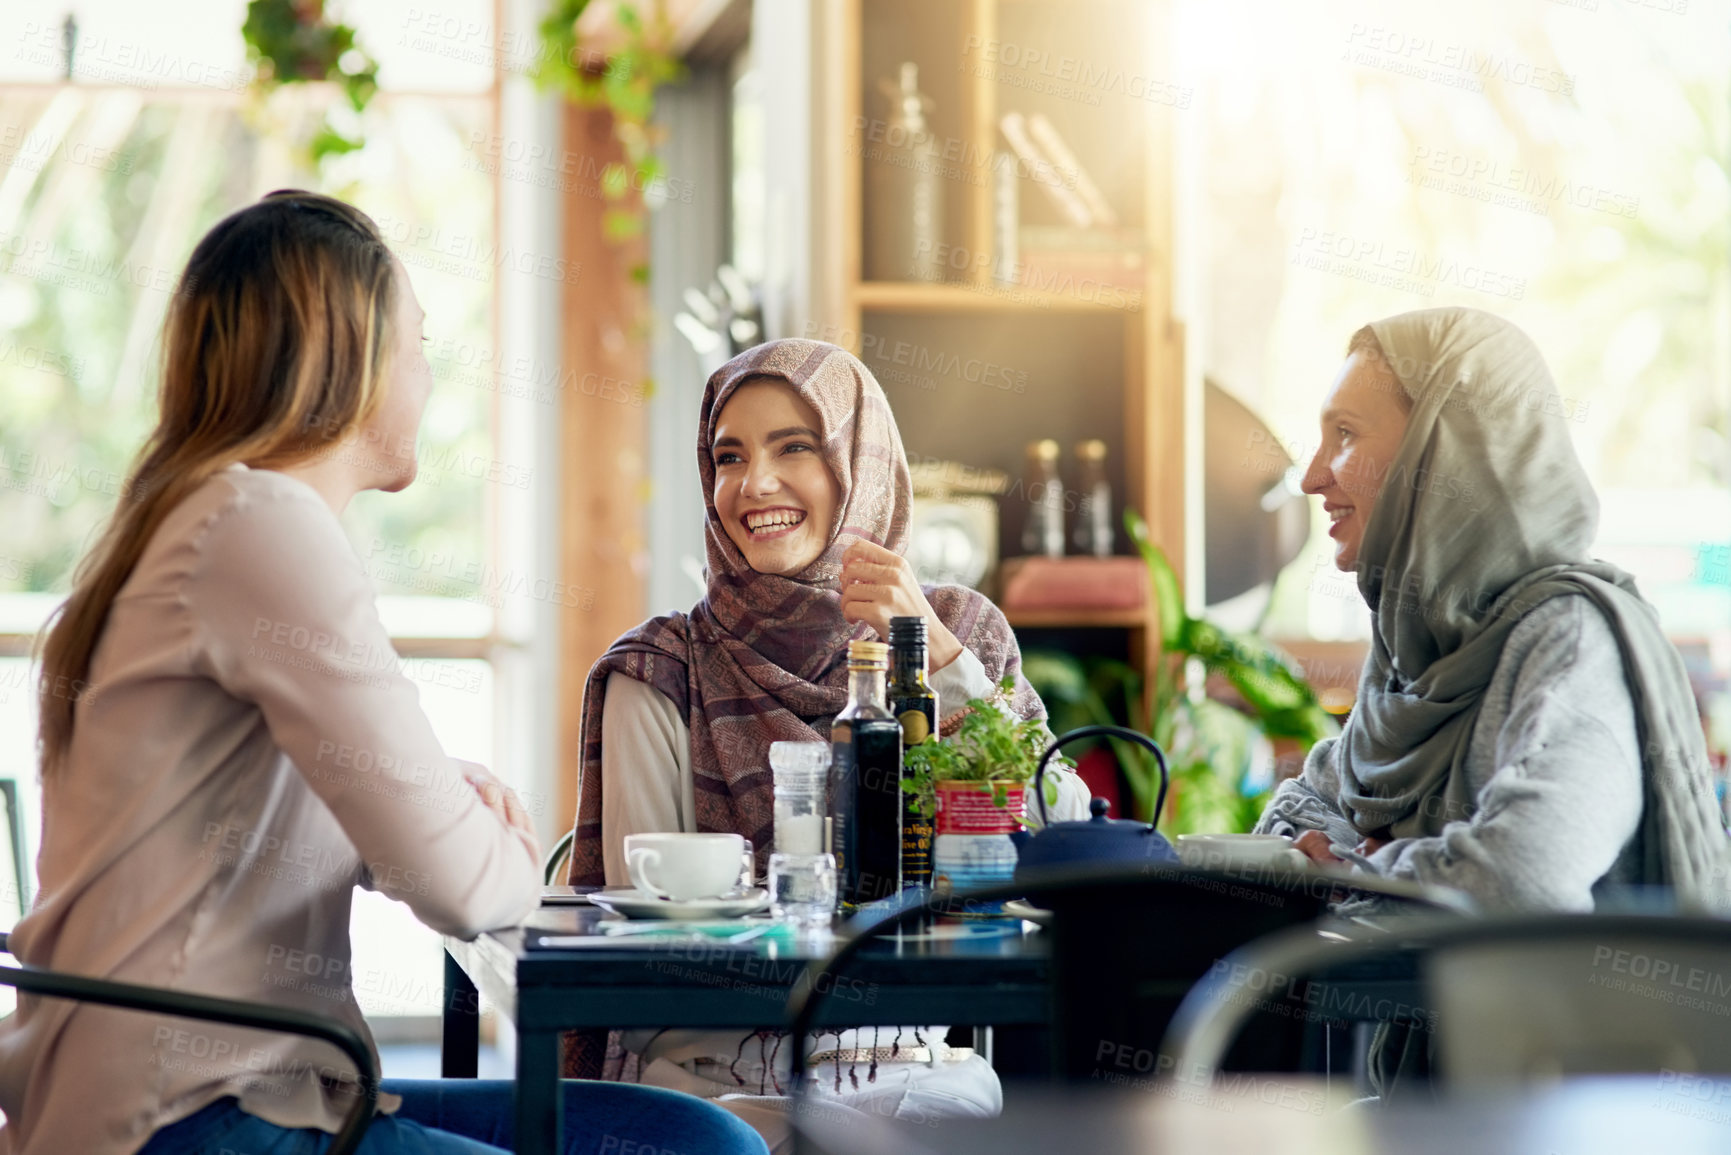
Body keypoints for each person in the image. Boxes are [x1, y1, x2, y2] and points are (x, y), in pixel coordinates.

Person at [0, 191, 766, 1155]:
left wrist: (434, 806)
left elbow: (281, 824)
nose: (428, 377)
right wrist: (465, 832)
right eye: (418, 345)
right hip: (184, 1116)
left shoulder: (200, 520)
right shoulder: (259, 527)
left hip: (250, 1086)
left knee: (698, 1141)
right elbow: (464, 889)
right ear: (349, 358)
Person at [564, 338, 1087, 1149]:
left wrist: (934, 656)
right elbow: (652, 942)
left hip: (908, 1074)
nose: (753, 484)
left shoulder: (962, 632)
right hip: (707, 1091)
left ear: (860, 464)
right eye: (727, 456)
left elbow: (1061, 834)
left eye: (794, 447)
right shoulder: (660, 670)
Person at [1256, 307, 1731, 914]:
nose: (1312, 477)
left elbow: (1523, 879)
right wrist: (1373, 865)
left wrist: (1357, 870)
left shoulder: (1572, 639)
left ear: (1443, 452)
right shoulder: (1413, 650)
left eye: (1345, 434)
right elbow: (1291, 819)